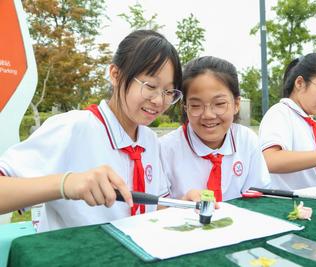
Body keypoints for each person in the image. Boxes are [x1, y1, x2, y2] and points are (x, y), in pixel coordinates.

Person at [0, 30, 184, 231]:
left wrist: (184, 205)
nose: (159, 100)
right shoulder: (72, 128)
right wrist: (66, 184)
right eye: (150, 86)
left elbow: (150, 206)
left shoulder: (149, 140)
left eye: (168, 91)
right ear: (115, 75)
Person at [159, 56, 270, 202]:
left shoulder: (247, 141)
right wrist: (183, 204)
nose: (208, 115)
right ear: (185, 107)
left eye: (219, 104)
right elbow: (154, 209)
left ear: (236, 104)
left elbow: (259, 198)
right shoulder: (165, 149)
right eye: (196, 105)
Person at [259, 53, 316, 191]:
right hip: (283, 206)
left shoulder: (309, 123)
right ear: (299, 83)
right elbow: (270, 160)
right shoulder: (280, 112)